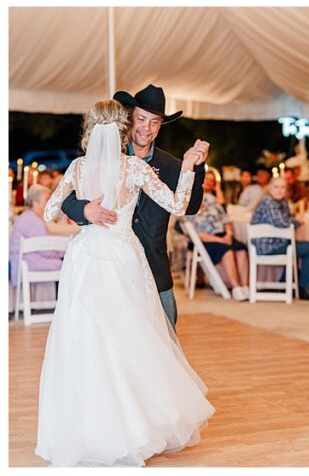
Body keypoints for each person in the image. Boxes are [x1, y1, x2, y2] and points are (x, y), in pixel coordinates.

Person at [35, 99, 214, 466]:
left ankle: (89, 429)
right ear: (122, 129)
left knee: (87, 341)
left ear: (89, 130)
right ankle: (132, 429)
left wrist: (82, 205)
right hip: (120, 257)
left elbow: (50, 210)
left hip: (84, 257)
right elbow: (178, 203)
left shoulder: (77, 167)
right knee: (129, 340)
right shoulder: (133, 168)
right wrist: (190, 166)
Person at [60, 84, 207, 330]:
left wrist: (197, 167)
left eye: (154, 122)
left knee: (166, 333)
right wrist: (85, 210)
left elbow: (189, 207)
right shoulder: (103, 156)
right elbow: (66, 198)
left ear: (160, 125)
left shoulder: (172, 165)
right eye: (141, 119)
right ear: (129, 119)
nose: (146, 128)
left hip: (153, 264)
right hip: (107, 267)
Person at [250, 176, 309, 300]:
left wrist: (294, 220)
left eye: (282, 187)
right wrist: (297, 220)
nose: (279, 190)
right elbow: (282, 223)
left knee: (296, 246)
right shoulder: (268, 202)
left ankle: (284, 282)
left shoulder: (283, 202)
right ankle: (307, 287)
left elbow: (288, 220)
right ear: (270, 189)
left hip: (279, 243)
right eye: (276, 187)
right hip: (267, 246)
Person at [188, 172, 250, 301]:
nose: (209, 182)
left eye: (212, 180)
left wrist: (228, 234)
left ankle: (245, 287)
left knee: (241, 250)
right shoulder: (192, 200)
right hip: (206, 239)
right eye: (207, 179)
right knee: (227, 251)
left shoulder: (214, 200)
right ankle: (236, 288)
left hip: (223, 235)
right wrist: (220, 240)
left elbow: (225, 220)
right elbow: (198, 232)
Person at [10, 185, 65, 293]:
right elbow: (46, 250)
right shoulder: (34, 221)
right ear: (35, 203)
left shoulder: (27, 217)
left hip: (24, 262)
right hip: (28, 263)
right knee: (68, 262)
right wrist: (62, 252)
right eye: (46, 199)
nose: (49, 203)